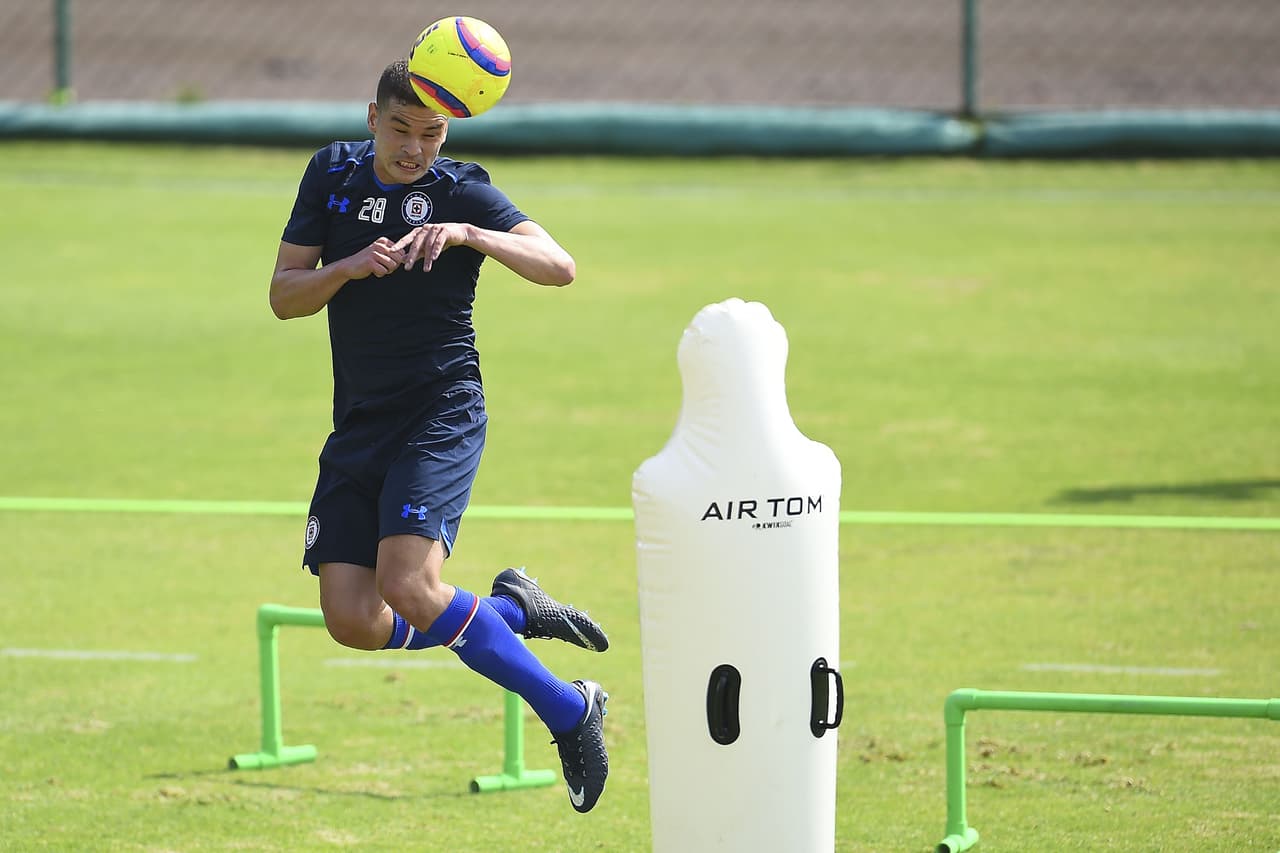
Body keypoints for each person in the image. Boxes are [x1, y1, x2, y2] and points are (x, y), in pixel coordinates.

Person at [268, 59, 609, 813]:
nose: (414, 147)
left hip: (440, 411)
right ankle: (515, 610)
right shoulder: (331, 175)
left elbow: (560, 266)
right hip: (359, 422)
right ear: (371, 118)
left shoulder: (459, 189)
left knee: (409, 586)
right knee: (353, 620)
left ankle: (570, 709)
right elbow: (284, 295)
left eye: (431, 133)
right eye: (400, 129)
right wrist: (348, 267)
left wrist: (471, 234)